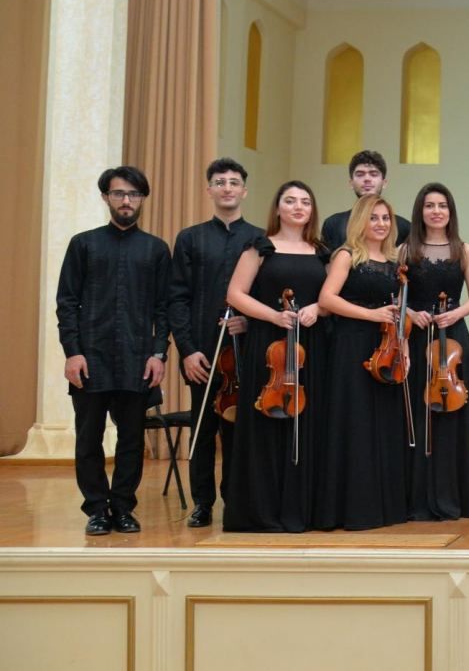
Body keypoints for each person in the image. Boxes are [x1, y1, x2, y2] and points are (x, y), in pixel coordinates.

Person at [56, 166, 171, 536]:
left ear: (142, 200)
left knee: (132, 439)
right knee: (88, 438)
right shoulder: (83, 244)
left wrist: (159, 353)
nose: (126, 201)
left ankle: (123, 506)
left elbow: (163, 308)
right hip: (90, 358)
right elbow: (67, 302)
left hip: (138, 360)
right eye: (119, 194)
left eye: (134, 195)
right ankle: (96, 509)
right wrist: (72, 352)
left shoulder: (155, 249)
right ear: (106, 197)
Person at [223, 181, 327, 532]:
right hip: (269, 346)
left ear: (312, 210)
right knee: (267, 425)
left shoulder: (322, 251)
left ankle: (303, 509)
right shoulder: (260, 247)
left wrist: (316, 308)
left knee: (307, 426)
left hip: (309, 347)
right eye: (290, 200)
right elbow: (235, 294)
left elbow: (330, 298)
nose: (298, 207)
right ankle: (263, 510)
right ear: (278, 207)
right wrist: (272, 316)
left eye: (305, 201)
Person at [168, 157, 263, 528]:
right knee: (204, 429)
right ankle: (202, 503)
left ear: (244, 190)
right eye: (220, 182)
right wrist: (188, 349)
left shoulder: (258, 238)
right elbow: (177, 298)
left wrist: (250, 321)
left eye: (234, 182)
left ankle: (236, 500)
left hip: (243, 350)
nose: (227, 188)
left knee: (239, 430)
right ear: (209, 190)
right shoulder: (190, 238)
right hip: (202, 350)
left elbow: (264, 296)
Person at [317, 195, 410, 530]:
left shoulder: (393, 260)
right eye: (374, 218)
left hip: (385, 346)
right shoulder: (346, 255)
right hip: (351, 344)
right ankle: (352, 508)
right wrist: (370, 315)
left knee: (381, 423)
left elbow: (398, 308)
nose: (381, 224)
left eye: (386, 218)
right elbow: (327, 300)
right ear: (360, 221)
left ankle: (382, 506)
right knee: (354, 422)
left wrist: (404, 346)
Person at [401, 183, 469, 521]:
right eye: (430, 205)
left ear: (451, 211)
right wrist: (409, 313)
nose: (436, 211)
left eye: (443, 205)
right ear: (420, 211)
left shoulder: (463, 249)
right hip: (420, 339)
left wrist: (457, 312)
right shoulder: (405, 249)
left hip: (453, 340)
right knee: (422, 415)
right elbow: (394, 297)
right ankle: (418, 497)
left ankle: (455, 495)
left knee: (453, 414)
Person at [320, 150, 410, 250]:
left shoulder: (403, 227)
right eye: (360, 174)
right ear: (351, 183)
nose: (367, 179)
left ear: (384, 183)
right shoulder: (333, 224)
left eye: (373, 174)